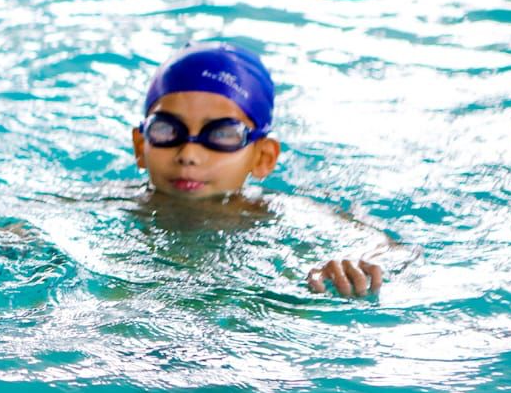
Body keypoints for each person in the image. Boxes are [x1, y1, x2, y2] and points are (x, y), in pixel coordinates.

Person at [132, 42, 396, 297]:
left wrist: (356, 261)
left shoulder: (281, 213)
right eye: (166, 129)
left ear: (263, 157)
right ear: (141, 145)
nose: (188, 155)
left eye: (222, 134)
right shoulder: (110, 204)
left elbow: (386, 248)